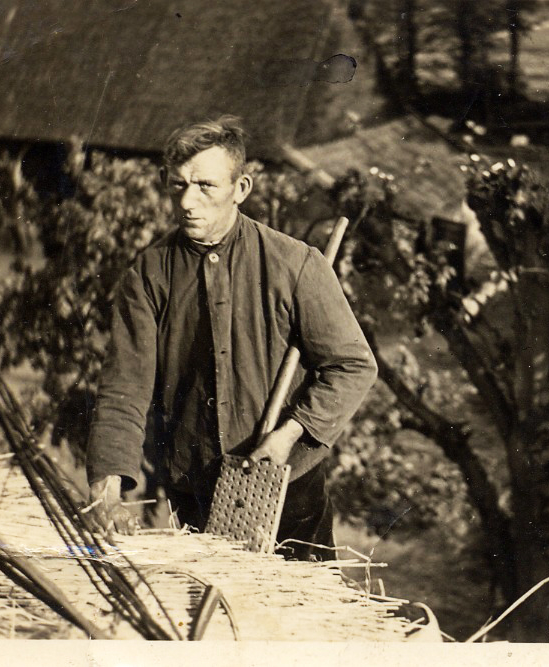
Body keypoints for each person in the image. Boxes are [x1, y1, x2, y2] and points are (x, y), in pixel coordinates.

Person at [85, 116, 377, 560]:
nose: (187, 201)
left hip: (289, 489)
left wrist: (290, 434)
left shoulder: (295, 264)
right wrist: (106, 489)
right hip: (195, 491)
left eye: (205, 186)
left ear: (241, 188)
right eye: (178, 184)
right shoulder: (148, 275)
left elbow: (353, 365)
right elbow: (125, 387)